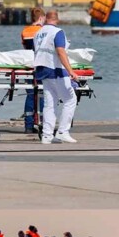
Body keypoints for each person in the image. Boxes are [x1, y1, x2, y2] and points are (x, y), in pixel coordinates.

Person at [32, 10, 80, 144]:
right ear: (57, 20)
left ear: (46, 19)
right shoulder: (58, 32)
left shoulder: (38, 33)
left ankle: (47, 135)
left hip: (42, 69)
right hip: (56, 70)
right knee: (70, 99)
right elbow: (60, 52)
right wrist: (71, 71)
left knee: (49, 103)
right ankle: (63, 132)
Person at [19, 7, 45, 133]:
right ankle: (44, 123)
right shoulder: (43, 31)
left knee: (30, 95)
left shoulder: (25, 31)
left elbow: (25, 47)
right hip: (41, 65)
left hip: (28, 66)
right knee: (42, 94)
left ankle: (28, 125)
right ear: (41, 18)